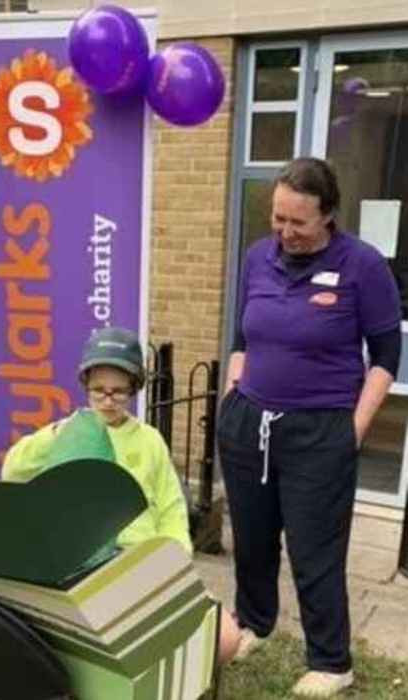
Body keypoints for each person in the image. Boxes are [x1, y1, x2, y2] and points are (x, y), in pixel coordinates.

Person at [218, 157, 401, 697]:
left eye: (298, 222)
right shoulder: (258, 257)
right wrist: (234, 387)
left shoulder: (362, 266)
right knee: (250, 538)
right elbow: (243, 335)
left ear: (328, 216)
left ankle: (331, 660)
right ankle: (254, 622)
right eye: (278, 218)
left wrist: (354, 429)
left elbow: (387, 356)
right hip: (250, 421)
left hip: (320, 431)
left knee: (314, 548)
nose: (286, 232)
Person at [2, 326, 241, 665]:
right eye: (98, 391)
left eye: (118, 392)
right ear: (85, 386)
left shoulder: (149, 440)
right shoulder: (69, 433)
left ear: (134, 389)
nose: (108, 400)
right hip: (84, 564)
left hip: (142, 562)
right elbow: (12, 470)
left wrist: (172, 564)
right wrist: (58, 432)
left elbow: (172, 512)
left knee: (227, 640)